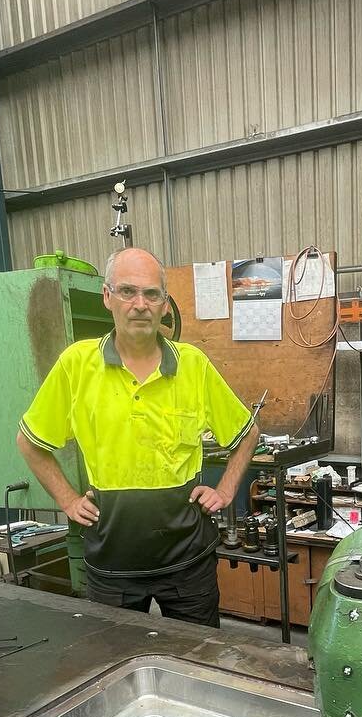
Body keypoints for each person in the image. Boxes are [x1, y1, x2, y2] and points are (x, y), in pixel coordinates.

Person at [15, 247, 260, 626]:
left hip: (187, 559)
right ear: (107, 297)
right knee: (115, 661)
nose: (140, 304)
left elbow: (247, 434)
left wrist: (225, 490)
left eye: (152, 294)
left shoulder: (192, 365)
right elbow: (29, 443)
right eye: (128, 292)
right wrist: (67, 499)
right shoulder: (77, 365)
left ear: (165, 305)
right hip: (113, 561)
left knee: (199, 658)